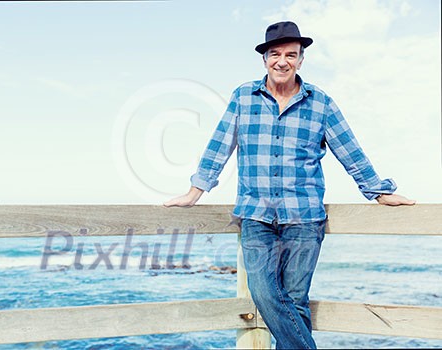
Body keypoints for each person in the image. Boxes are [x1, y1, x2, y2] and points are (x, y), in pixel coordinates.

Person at [164, 21, 415, 349]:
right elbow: (220, 144)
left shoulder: (321, 103)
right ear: (265, 58)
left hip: (304, 218)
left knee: (295, 302)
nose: (282, 61)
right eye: (275, 54)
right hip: (256, 216)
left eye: (291, 55)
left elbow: (349, 149)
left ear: (301, 59)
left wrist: (377, 191)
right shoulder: (243, 97)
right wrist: (196, 190)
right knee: (265, 294)